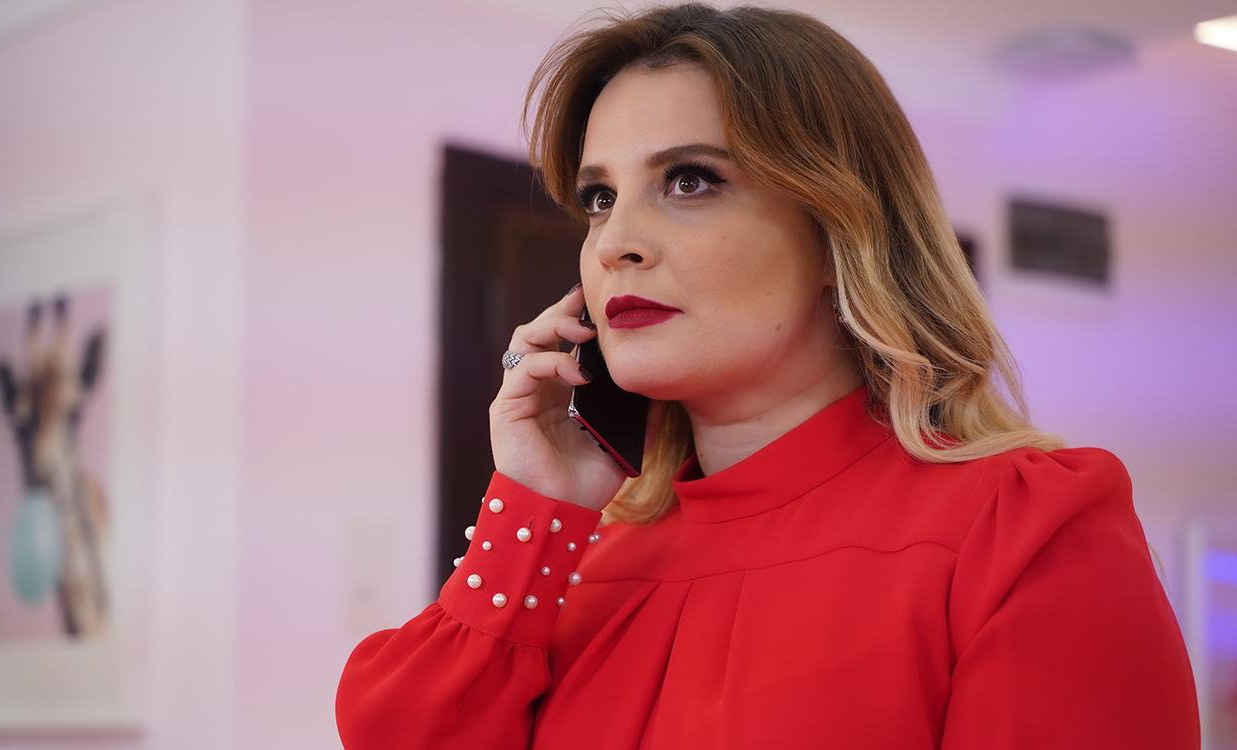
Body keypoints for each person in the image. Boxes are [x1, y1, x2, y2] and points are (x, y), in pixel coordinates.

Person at [335, 3, 1201, 748]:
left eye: (689, 181)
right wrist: (533, 507)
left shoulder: (1025, 533)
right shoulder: (581, 567)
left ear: (838, 231)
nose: (615, 242)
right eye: (600, 198)